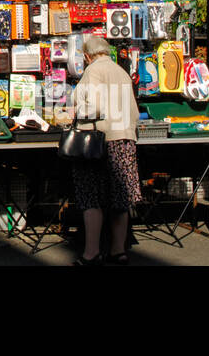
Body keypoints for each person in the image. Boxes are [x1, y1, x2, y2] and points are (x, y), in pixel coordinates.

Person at [70, 34, 141, 265]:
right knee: (120, 199)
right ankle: (118, 250)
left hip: (99, 141)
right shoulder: (121, 72)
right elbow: (134, 112)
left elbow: (95, 107)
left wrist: (76, 112)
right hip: (124, 139)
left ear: (87, 55)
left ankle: (91, 253)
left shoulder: (93, 71)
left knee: (92, 197)